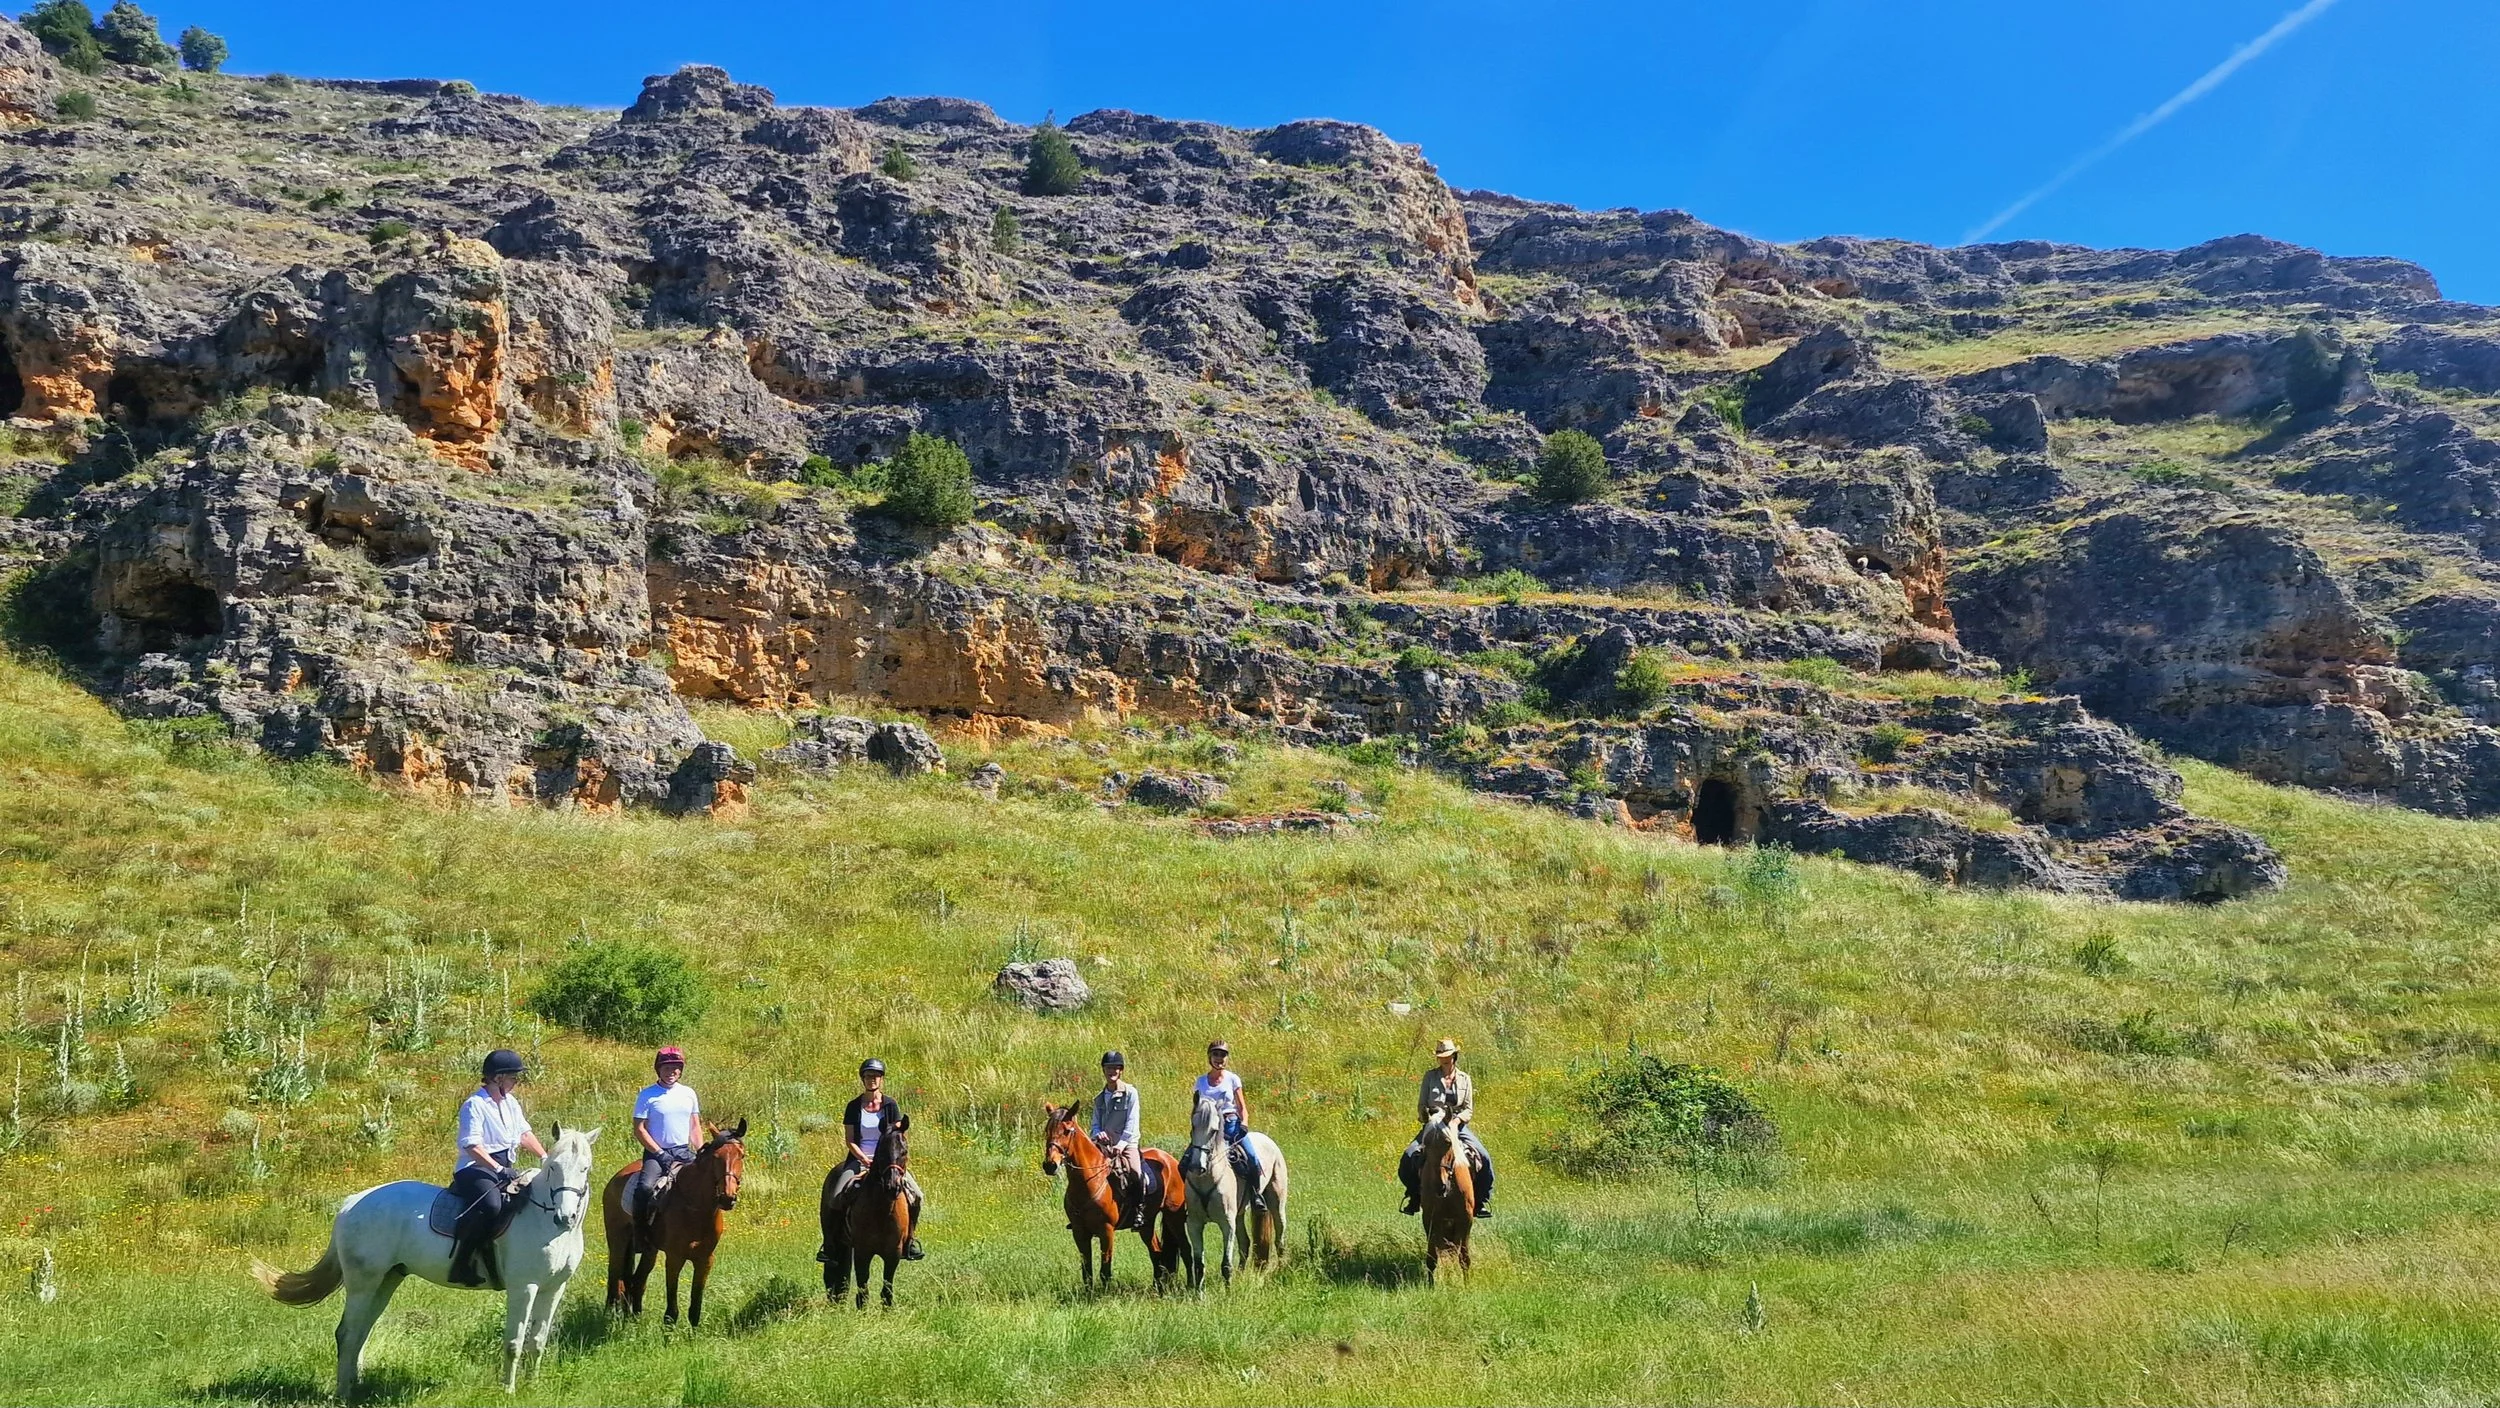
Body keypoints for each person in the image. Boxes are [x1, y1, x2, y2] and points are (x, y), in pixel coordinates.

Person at [449, 1048, 547, 1287]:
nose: (516, 1081)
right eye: (513, 1077)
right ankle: (462, 1264)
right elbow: (471, 1145)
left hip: (504, 1166)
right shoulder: (475, 1104)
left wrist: (545, 1156)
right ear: (498, 1077)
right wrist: (498, 1169)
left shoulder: (511, 1103)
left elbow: (524, 1134)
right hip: (474, 1168)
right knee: (491, 1204)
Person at [825, 1058, 924, 1260]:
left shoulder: (890, 1105)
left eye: (876, 1076)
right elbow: (850, 1140)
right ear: (863, 1079)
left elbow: (898, 1138)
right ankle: (830, 1243)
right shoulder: (853, 1106)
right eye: (868, 1076)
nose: (872, 1080)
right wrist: (864, 1159)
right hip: (858, 1159)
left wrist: (885, 1160)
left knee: (917, 1195)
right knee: (836, 1196)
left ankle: (910, 1240)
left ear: (881, 1079)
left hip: (888, 1162)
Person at [1400, 1038, 1492, 1218]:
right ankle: (1414, 1196)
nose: (1443, 1060)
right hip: (1434, 1125)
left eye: (1447, 1056)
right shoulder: (1430, 1077)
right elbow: (1422, 1104)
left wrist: (1456, 1121)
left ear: (1454, 1056)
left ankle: (1480, 1201)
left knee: (1484, 1157)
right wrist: (1425, 1118)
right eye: (1440, 1056)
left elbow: (1468, 1108)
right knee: (1408, 1156)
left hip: (1457, 1126)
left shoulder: (1465, 1079)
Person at [627, 1046, 701, 1247]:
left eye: (676, 1068)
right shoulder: (647, 1095)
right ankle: (640, 1235)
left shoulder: (688, 1094)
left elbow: (694, 1125)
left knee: (705, 1183)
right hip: (656, 1153)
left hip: (683, 1150)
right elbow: (639, 1130)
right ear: (658, 1070)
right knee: (644, 1188)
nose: (672, 1073)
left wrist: (700, 1150)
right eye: (667, 1068)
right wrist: (659, 1153)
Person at [1192, 1040, 1264, 1213]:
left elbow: (1242, 1107)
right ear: (1209, 1057)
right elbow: (1195, 1109)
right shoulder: (1201, 1082)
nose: (1219, 1058)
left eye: (1223, 1055)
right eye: (1215, 1054)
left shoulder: (1233, 1079)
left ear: (1227, 1058)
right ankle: (1184, 1201)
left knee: (1252, 1158)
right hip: (1209, 1128)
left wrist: (1244, 1123)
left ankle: (1256, 1195)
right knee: (1186, 1161)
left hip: (1231, 1125)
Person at [1090, 1050, 1143, 1227]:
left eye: (1115, 1068)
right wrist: (1098, 1133)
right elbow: (1095, 1125)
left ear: (1121, 1070)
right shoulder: (1098, 1099)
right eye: (1108, 1068)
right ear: (1103, 1070)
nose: (1111, 1071)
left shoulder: (1130, 1093)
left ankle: (1138, 1210)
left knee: (1136, 1172)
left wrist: (1121, 1144)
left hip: (1126, 1144)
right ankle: (1081, 1212)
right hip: (1104, 1145)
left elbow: (1132, 1123)